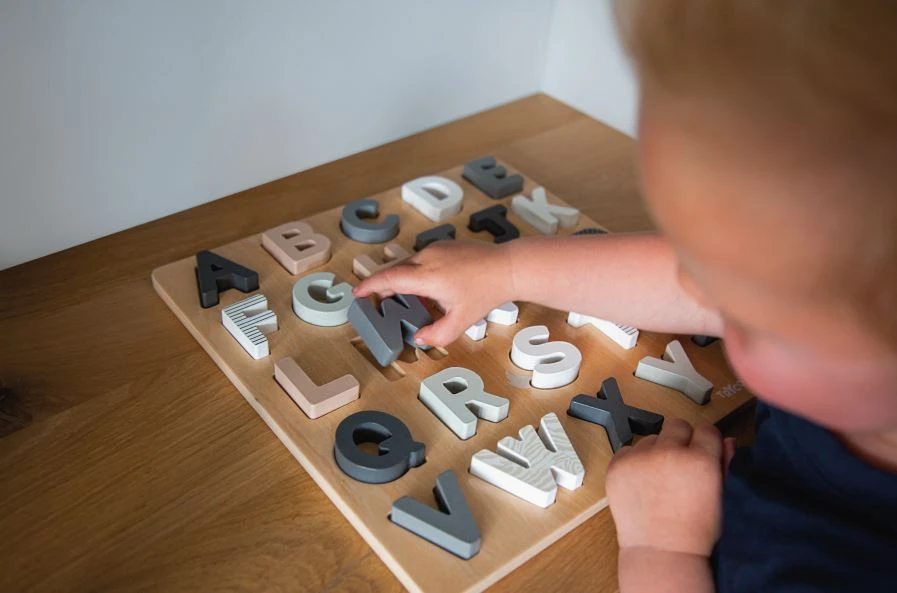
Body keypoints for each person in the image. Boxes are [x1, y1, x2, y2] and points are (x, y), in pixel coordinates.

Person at [354, 1, 897, 591]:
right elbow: (681, 279)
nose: (689, 287)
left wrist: (663, 550)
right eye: (694, 257)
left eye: (742, 306)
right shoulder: (849, 314)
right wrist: (505, 268)